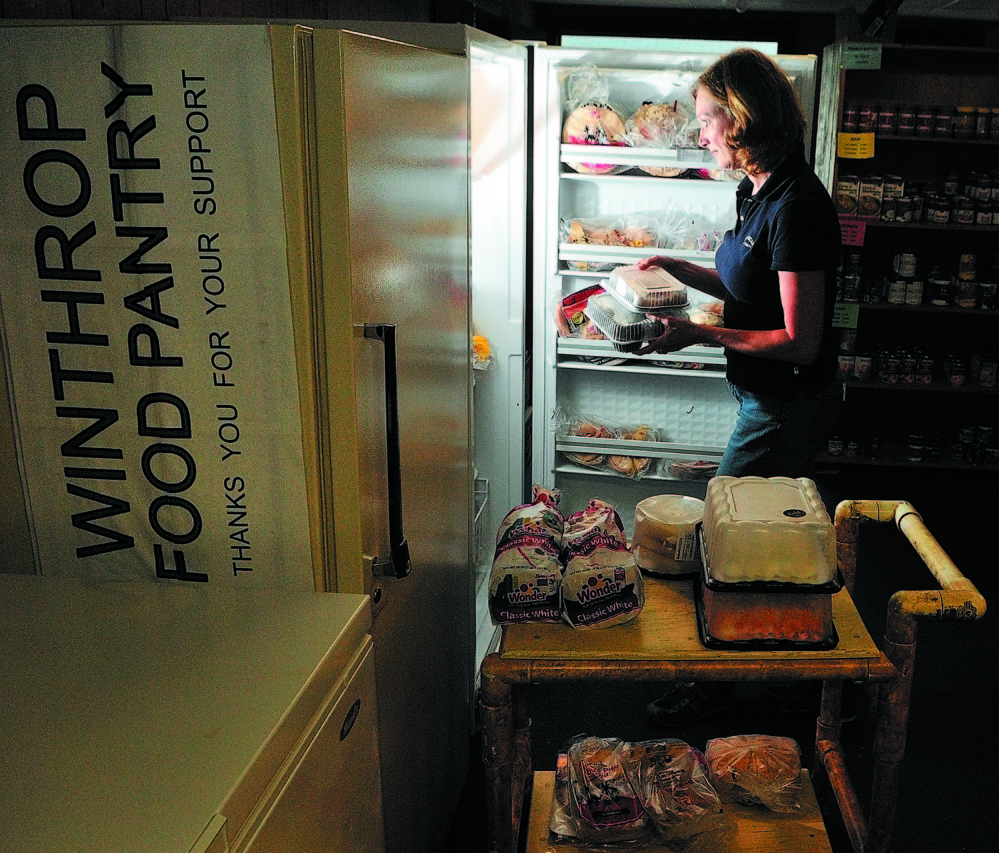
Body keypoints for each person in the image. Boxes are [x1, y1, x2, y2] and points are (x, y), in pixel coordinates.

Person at [636, 48, 843, 728]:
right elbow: (741, 283)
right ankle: (777, 679)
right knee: (751, 538)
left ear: (741, 118)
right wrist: (679, 271)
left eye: (704, 120)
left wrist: (697, 335)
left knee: (725, 537)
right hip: (761, 396)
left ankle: (737, 688)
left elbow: (798, 340)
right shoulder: (755, 187)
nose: (698, 134)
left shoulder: (798, 206)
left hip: (786, 403)